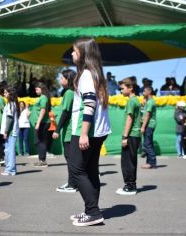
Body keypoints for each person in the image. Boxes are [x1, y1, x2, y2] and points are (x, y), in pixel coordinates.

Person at [68, 37, 111, 226]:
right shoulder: (96, 74)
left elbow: (89, 103)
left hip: (86, 130)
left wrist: (84, 133)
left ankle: (93, 212)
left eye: (74, 51)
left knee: (77, 170)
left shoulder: (86, 74)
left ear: (83, 54)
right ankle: (91, 211)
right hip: (99, 130)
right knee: (91, 170)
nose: (71, 54)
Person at [53, 69, 78, 193]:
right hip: (71, 130)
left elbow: (65, 112)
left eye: (62, 78)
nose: (60, 80)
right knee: (71, 158)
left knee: (70, 158)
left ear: (68, 80)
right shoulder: (72, 92)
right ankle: (72, 182)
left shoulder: (69, 93)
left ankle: (72, 185)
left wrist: (57, 130)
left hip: (69, 131)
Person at [116, 77, 141, 196]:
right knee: (131, 160)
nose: (121, 91)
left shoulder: (132, 101)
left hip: (131, 135)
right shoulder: (135, 100)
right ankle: (131, 185)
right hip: (135, 135)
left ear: (130, 88)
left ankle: (130, 186)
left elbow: (129, 119)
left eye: (122, 88)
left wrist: (125, 137)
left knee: (127, 162)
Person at [0, 87, 20, 176]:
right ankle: (11, 168)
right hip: (11, 131)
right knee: (8, 150)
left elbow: (9, 119)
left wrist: (6, 131)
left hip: (11, 132)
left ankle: (10, 170)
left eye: (5, 93)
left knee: (10, 151)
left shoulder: (10, 104)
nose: (4, 94)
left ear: (10, 94)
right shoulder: (12, 104)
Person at [33, 82, 52, 167]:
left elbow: (43, 111)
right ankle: (42, 160)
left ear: (41, 89)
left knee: (39, 141)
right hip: (43, 122)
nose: (35, 90)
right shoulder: (43, 97)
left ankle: (42, 160)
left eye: (37, 89)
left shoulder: (43, 97)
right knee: (41, 141)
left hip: (43, 123)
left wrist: (38, 123)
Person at [140, 86, 157, 169]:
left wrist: (143, 127)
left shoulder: (150, 102)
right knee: (148, 144)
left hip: (149, 125)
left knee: (148, 144)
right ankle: (148, 162)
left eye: (144, 91)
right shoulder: (148, 101)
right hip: (149, 125)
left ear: (149, 92)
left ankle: (152, 163)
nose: (142, 93)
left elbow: (148, 115)